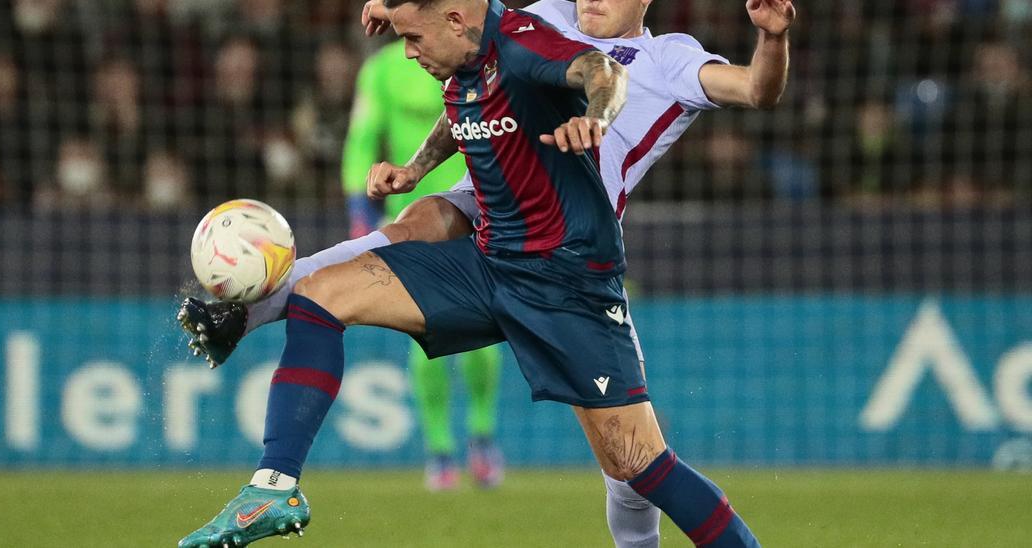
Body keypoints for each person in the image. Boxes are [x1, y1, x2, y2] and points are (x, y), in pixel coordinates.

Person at [179, 0, 793, 546]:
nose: (590, 0)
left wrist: (770, 40)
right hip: (492, 232)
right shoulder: (533, 17)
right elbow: (472, 77)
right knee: (355, 268)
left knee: (636, 469)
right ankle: (273, 475)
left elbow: (744, 90)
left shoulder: (663, 60)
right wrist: (398, 20)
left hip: (568, 266)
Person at [342, 39, 505, 492]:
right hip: (414, 220)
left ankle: (482, 436)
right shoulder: (381, 69)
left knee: (484, 334)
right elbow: (361, 141)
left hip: (478, 207)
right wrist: (360, 207)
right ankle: (440, 450)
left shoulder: (475, 58)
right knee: (424, 332)